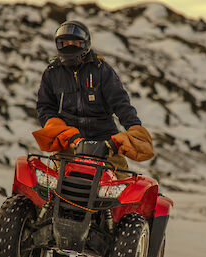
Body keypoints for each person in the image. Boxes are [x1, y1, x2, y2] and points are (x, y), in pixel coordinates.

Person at [32, 20, 154, 173]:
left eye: (75, 43)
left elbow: (121, 103)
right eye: (65, 43)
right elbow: (45, 108)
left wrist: (134, 129)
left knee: (122, 186)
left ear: (85, 44)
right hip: (68, 144)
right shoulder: (52, 73)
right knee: (52, 188)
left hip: (106, 143)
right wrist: (66, 135)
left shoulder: (101, 70)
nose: (70, 46)